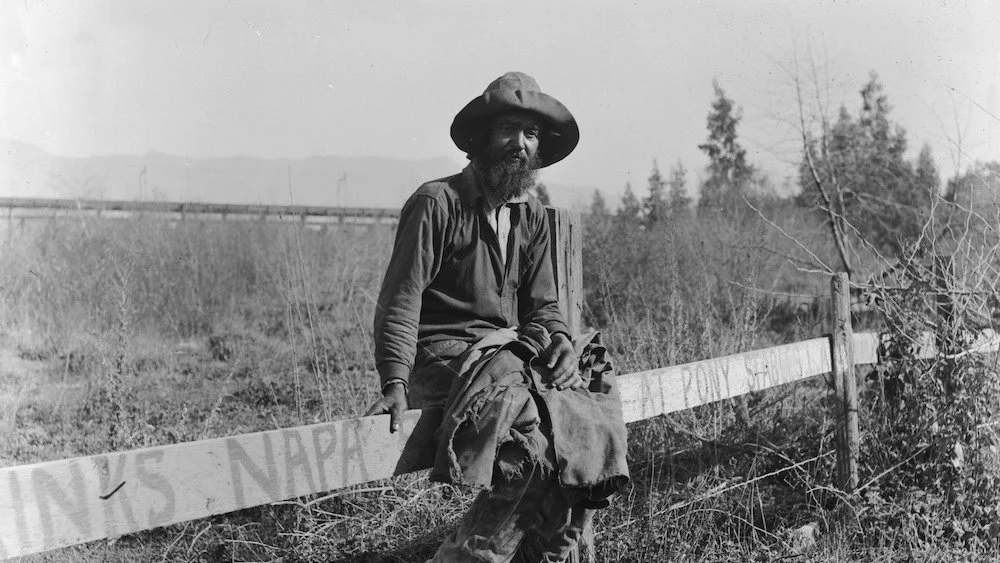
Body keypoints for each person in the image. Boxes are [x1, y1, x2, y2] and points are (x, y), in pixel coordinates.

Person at [366, 72, 628, 563]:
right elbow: (401, 298)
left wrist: (560, 342)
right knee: (530, 444)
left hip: (508, 360)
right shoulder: (436, 203)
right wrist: (394, 382)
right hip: (445, 361)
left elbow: (543, 305)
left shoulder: (532, 216)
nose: (520, 143)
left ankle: (558, 552)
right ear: (482, 137)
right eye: (509, 128)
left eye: (531, 133)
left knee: (588, 406)